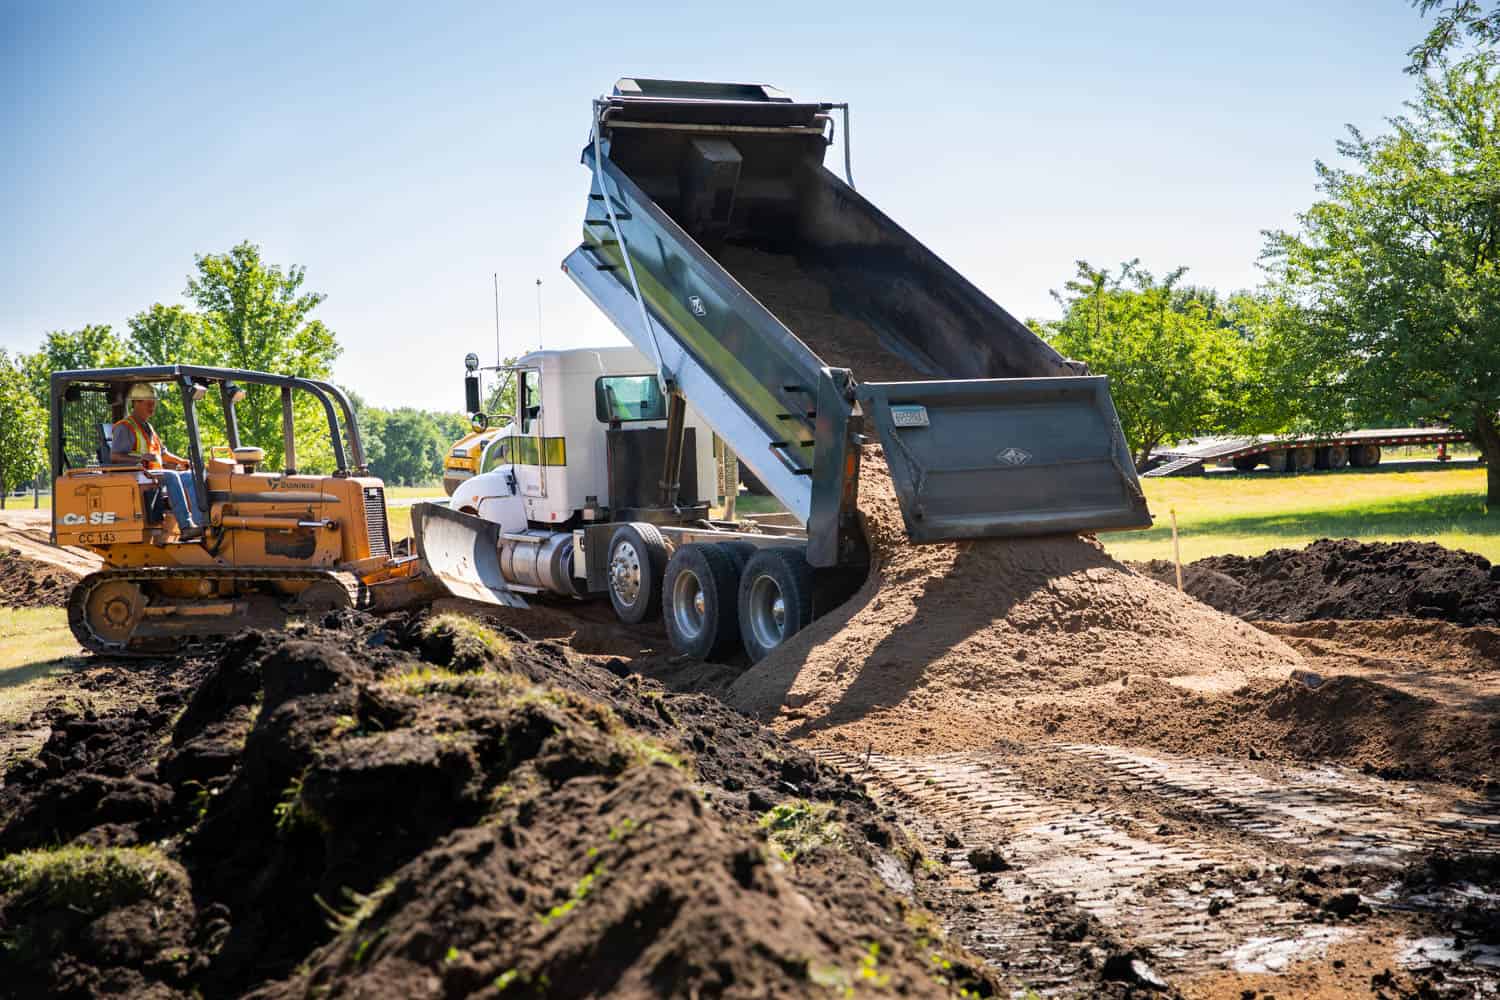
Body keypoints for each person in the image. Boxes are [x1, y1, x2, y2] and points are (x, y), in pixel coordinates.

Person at [110, 383, 205, 539]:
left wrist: (182, 461)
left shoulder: (148, 427)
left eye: (154, 402)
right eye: (149, 402)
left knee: (189, 476)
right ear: (137, 403)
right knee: (172, 476)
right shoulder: (125, 427)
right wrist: (141, 458)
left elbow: (162, 452)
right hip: (136, 476)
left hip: (152, 475)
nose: (152, 406)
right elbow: (115, 456)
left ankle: (200, 525)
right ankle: (186, 526)